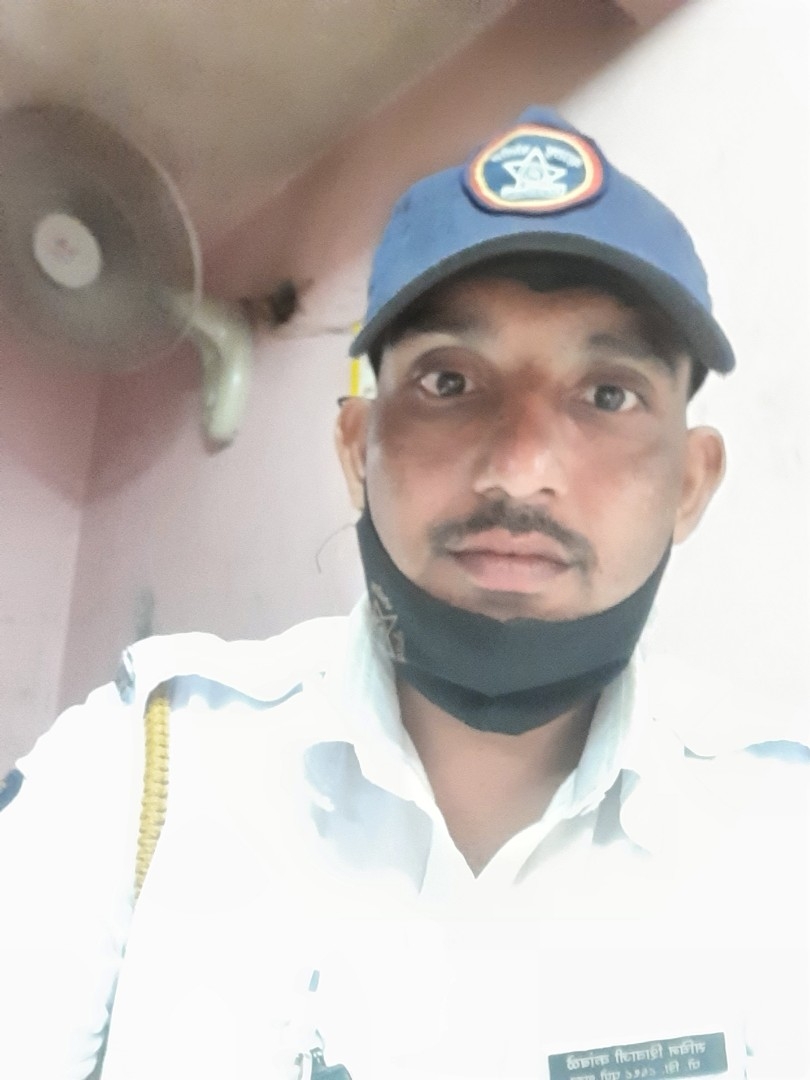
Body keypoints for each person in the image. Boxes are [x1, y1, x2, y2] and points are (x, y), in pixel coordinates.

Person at [0, 106, 807, 1080]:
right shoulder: (139, 771)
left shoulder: (784, 825)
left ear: (690, 483)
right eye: (448, 382)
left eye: (608, 395)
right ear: (356, 451)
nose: (520, 469)